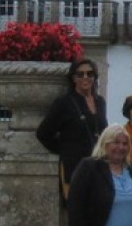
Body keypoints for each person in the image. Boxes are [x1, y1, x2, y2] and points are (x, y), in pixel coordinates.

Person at [36, 58, 108, 198]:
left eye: (90, 74)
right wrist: (66, 149)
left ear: (94, 77)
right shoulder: (64, 103)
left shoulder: (100, 102)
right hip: (74, 166)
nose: (85, 77)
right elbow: (43, 133)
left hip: (98, 165)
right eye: (80, 74)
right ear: (73, 78)